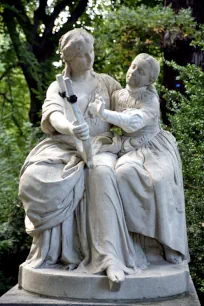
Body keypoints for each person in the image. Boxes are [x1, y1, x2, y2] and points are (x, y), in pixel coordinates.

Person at [19, 29, 148, 284]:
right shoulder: (59, 86)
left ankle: (110, 256)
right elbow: (53, 113)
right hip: (64, 146)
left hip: (101, 146)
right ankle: (53, 253)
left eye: (91, 52)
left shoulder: (107, 83)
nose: (90, 58)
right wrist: (70, 127)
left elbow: (129, 106)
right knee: (35, 176)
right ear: (69, 59)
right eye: (82, 55)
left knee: (101, 172)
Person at [89, 53, 189, 264]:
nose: (133, 72)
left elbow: (133, 123)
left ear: (149, 80)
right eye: (133, 66)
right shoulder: (118, 95)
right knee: (123, 174)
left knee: (159, 181)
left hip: (153, 149)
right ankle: (134, 241)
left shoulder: (150, 99)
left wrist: (104, 113)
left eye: (140, 71)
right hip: (128, 149)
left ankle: (165, 242)